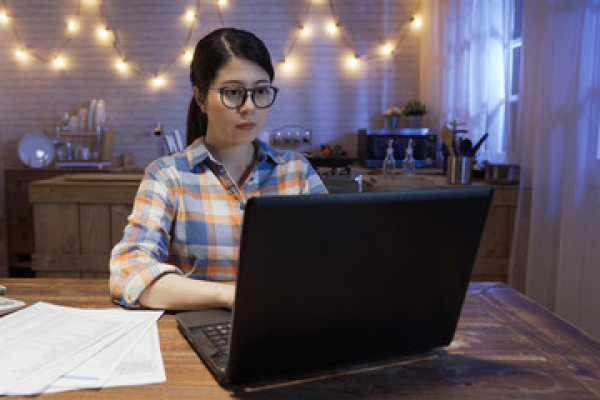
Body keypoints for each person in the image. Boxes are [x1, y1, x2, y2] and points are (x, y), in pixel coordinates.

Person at [109, 28, 327, 310]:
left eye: (260, 91)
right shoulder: (167, 175)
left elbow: (334, 259)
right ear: (200, 98)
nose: (249, 107)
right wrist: (229, 295)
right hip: (196, 331)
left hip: (286, 323)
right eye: (233, 92)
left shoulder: (296, 171)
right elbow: (128, 272)